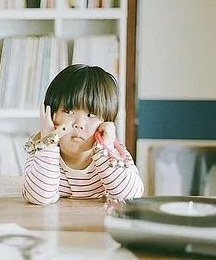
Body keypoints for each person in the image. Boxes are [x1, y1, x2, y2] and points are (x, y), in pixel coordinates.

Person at [22, 64, 144, 205]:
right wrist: (48, 142)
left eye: (91, 115)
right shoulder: (42, 155)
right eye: (69, 112)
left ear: (106, 123)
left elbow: (131, 196)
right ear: (50, 115)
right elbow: (39, 197)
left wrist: (105, 148)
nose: (79, 124)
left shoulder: (115, 156)